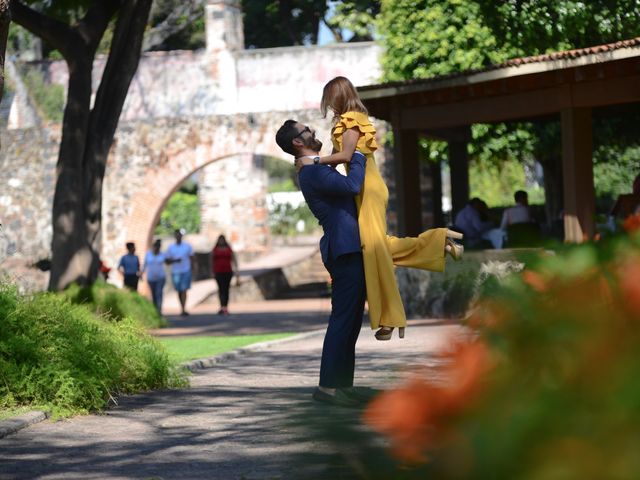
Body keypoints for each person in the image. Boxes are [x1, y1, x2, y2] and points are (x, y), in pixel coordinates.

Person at [295, 76, 463, 341]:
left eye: (329, 99)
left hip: (368, 188)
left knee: (373, 250)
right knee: (377, 246)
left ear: (337, 96)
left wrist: (313, 160)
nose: (327, 105)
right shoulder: (349, 119)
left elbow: (347, 157)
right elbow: (341, 162)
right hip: (364, 187)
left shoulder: (352, 119)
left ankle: (389, 318)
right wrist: (322, 170)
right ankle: (438, 242)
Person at [276, 119, 368, 407]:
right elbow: (353, 185)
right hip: (344, 249)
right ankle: (328, 387)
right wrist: (359, 156)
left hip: (348, 247)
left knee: (351, 320)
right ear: (297, 143)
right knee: (343, 319)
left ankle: (342, 384)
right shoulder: (313, 171)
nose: (313, 132)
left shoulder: (316, 166)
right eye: (308, 131)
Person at [166, 229, 194, 316]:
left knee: (184, 289)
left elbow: (192, 258)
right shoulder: (171, 247)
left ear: (181, 236)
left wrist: (194, 269)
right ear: (175, 236)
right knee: (179, 290)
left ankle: (183, 308)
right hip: (176, 271)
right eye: (176, 235)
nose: (178, 237)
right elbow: (167, 261)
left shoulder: (187, 246)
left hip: (186, 270)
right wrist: (175, 260)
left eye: (179, 235)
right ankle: (182, 307)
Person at [211, 234, 238, 315]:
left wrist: (237, 271)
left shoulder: (229, 249)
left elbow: (234, 259)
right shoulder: (215, 249)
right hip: (218, 271)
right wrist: (211, 271)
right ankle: (221, 306)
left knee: (226, 289)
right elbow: (211, 260)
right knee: (220, 289)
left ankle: (225, 307)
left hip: (227, 271)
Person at [142, 239, 167, 313]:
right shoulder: (148, 254)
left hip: (160, 278)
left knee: (159, 293)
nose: (156, 248)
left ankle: (159, 310)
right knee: (153, 294)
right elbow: (145, 265)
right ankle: (155, 310)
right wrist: (141, 273)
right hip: (151, 278)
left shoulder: (162, 254)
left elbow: (168, 261)